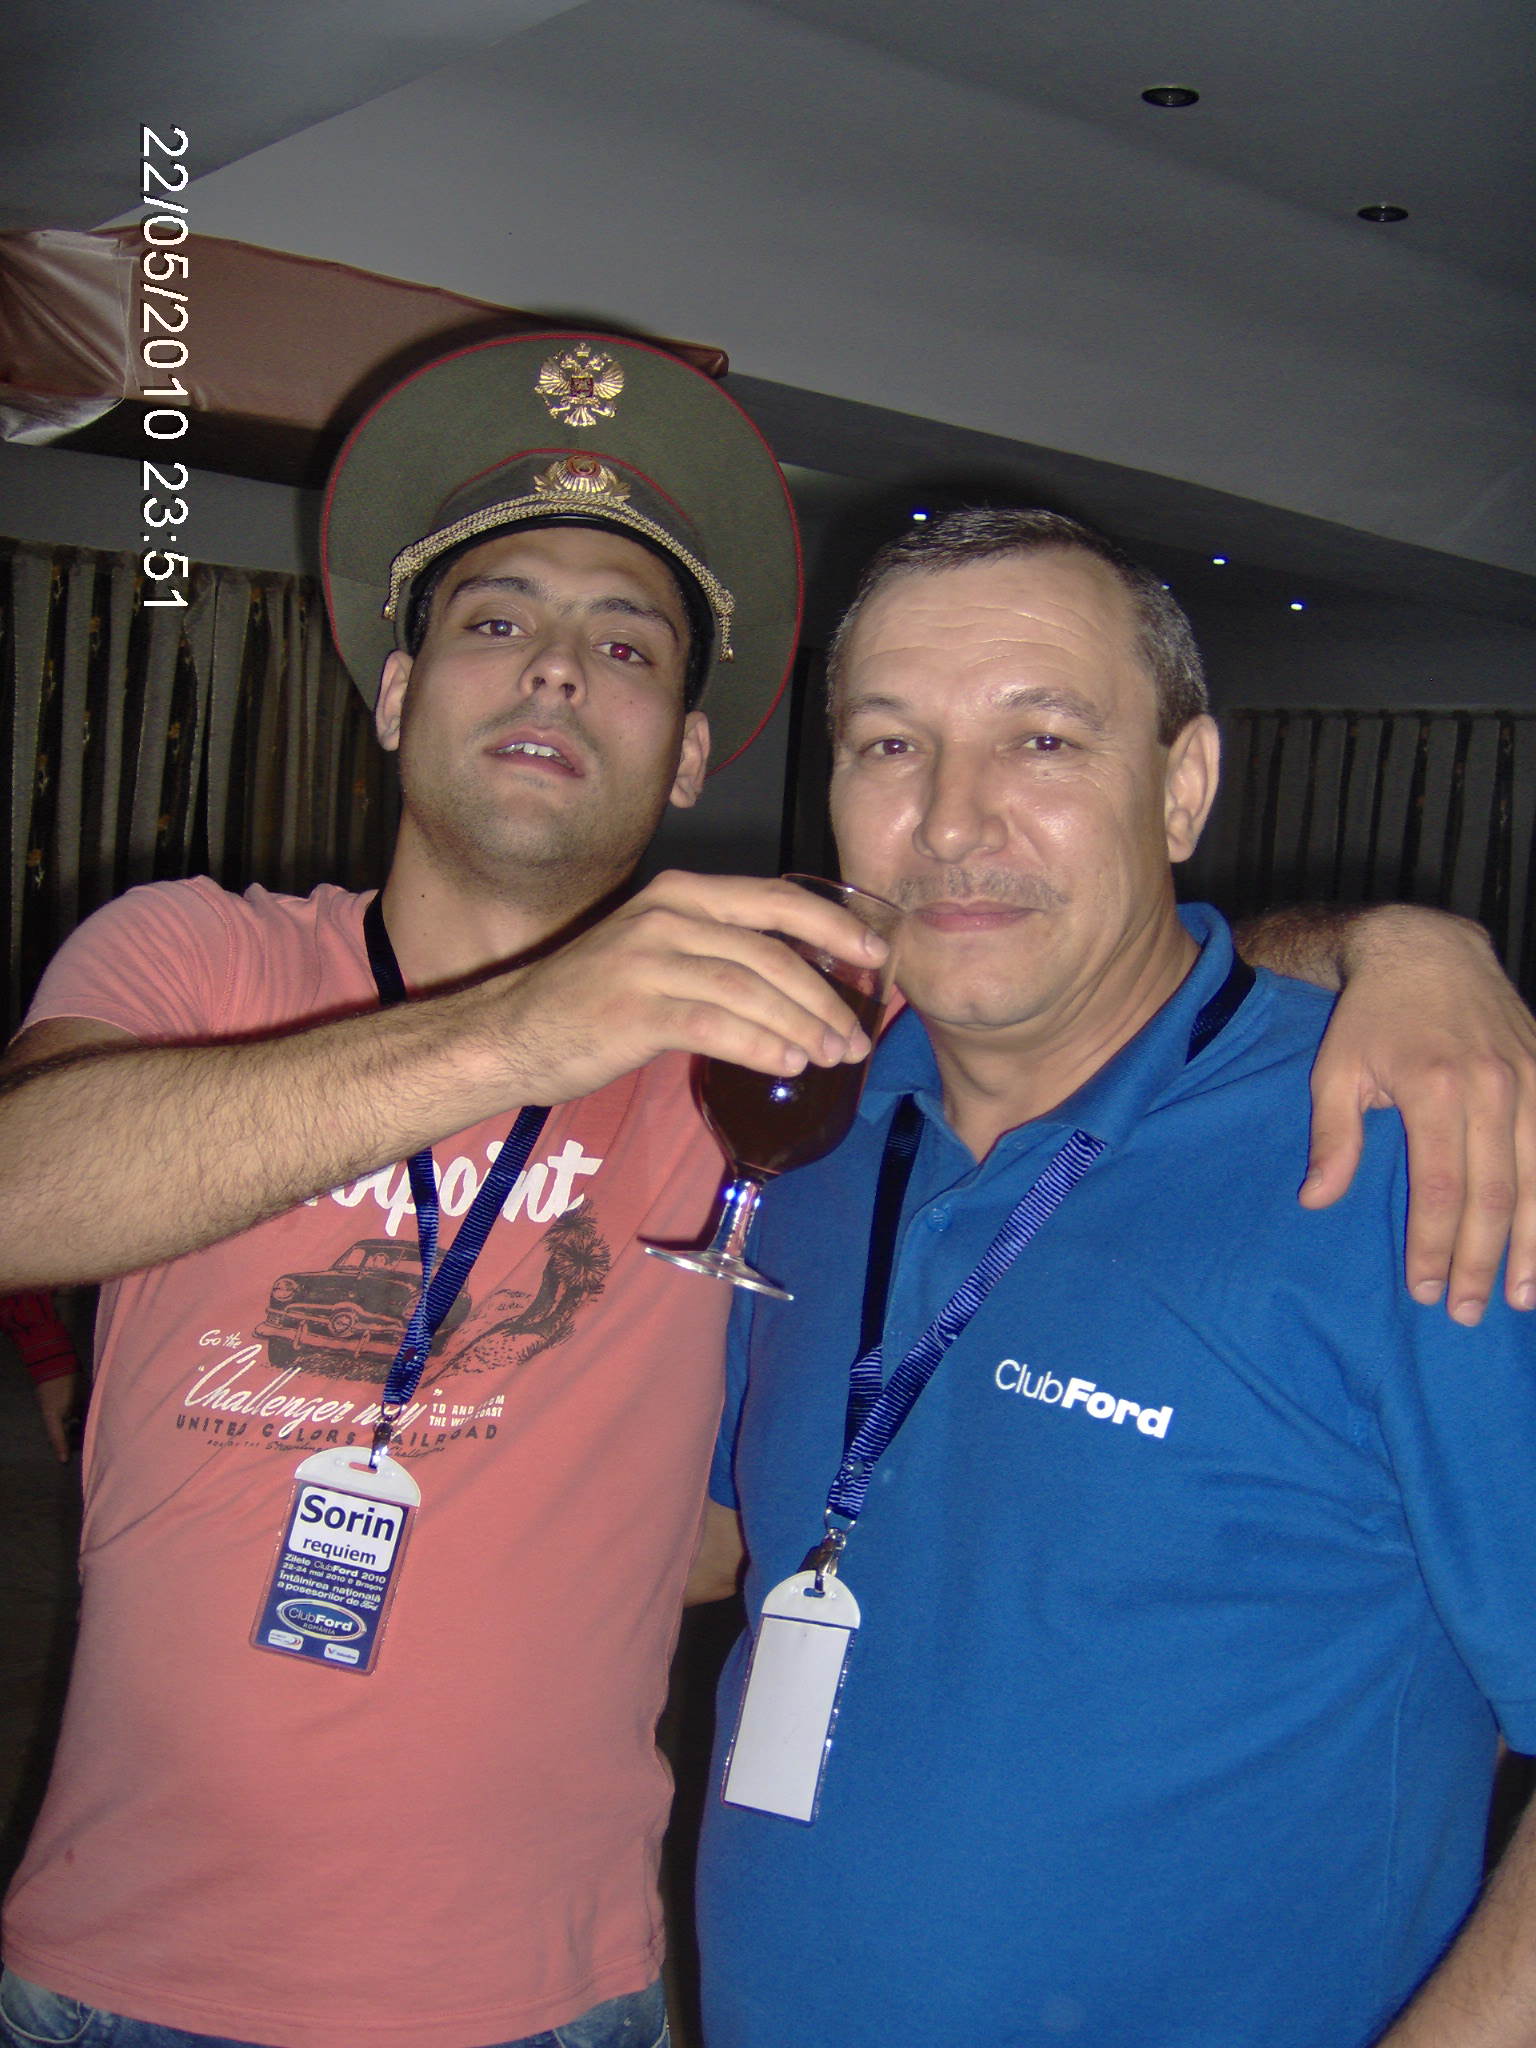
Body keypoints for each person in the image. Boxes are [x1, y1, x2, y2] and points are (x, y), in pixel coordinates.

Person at [0, 349, 1527, 2048]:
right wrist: (526, 1030)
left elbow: (1091, 973)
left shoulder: (794, 1063)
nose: (953, 814)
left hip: (547, 1997)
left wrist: (1406, 950)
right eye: (892, 744)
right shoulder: (221, 964)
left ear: (687, 759)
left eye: (627, 648)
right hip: (121, 1971)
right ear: (394, 690)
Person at [695, 508, 1536, 2048]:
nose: (952, 821)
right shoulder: (810, 1128)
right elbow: (718, 1535)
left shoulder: (1407, 1158)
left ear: (1183, 785)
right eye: (891, 745)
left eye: (1043, 742)